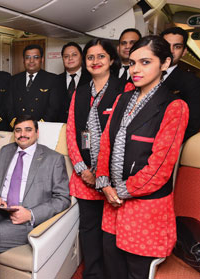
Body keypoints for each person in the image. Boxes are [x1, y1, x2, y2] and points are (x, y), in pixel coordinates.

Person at [96, 35, 189, 279]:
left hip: (144, 211)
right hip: (112, 205)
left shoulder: (174, 106)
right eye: (132, 63)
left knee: (137, 272)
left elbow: (159, 169)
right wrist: (104, 182)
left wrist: (120, 191)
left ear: (165, 63)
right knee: (112, 270)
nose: (136, 69)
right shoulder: (122, 99)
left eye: (145, 62)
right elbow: (105, 143)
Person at [0, 115, 70, 279]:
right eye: (18, 130)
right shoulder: (6, 151)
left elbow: (63, 198)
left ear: (37, 133)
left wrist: (31, 214)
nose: (22, 134)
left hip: (23, 221)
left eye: (28, 130)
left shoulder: (53, 159)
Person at [66, 38, 123, 279]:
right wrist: (82, 170)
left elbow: (123, 137)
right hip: (85, 176)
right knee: (88, 229)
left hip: (113, 178)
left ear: (111, 59)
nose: (95, 61)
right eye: (90, 57)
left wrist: (101, 174)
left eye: (101, 56)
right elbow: (72, 132)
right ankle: (92, 273)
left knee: (111, 231)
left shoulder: (125, 90)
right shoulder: (80, 93)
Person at [160, 27, 200, 140]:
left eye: (177, 47)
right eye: (166, 45)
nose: (171, 50)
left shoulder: (192, 82)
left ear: (184, 52)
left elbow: (192, 125)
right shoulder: (144, 74)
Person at [7, 44, 61, 127]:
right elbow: (9, 105)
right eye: (27, 57)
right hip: (18, 127)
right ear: (23, 60)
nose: (31, 61)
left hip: (41, 128)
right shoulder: (14, 79)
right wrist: (15, 123)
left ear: (42, 60)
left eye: (36, 57)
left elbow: (53, 108)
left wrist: (38, 126)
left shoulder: (52, 79)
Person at [58, 42, 91, 122]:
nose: (70, 58)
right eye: (66, 56)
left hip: (84, 126)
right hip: (61, 126)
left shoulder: (91, 78)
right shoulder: (56, 80)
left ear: (81, 56)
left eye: (74, 55)